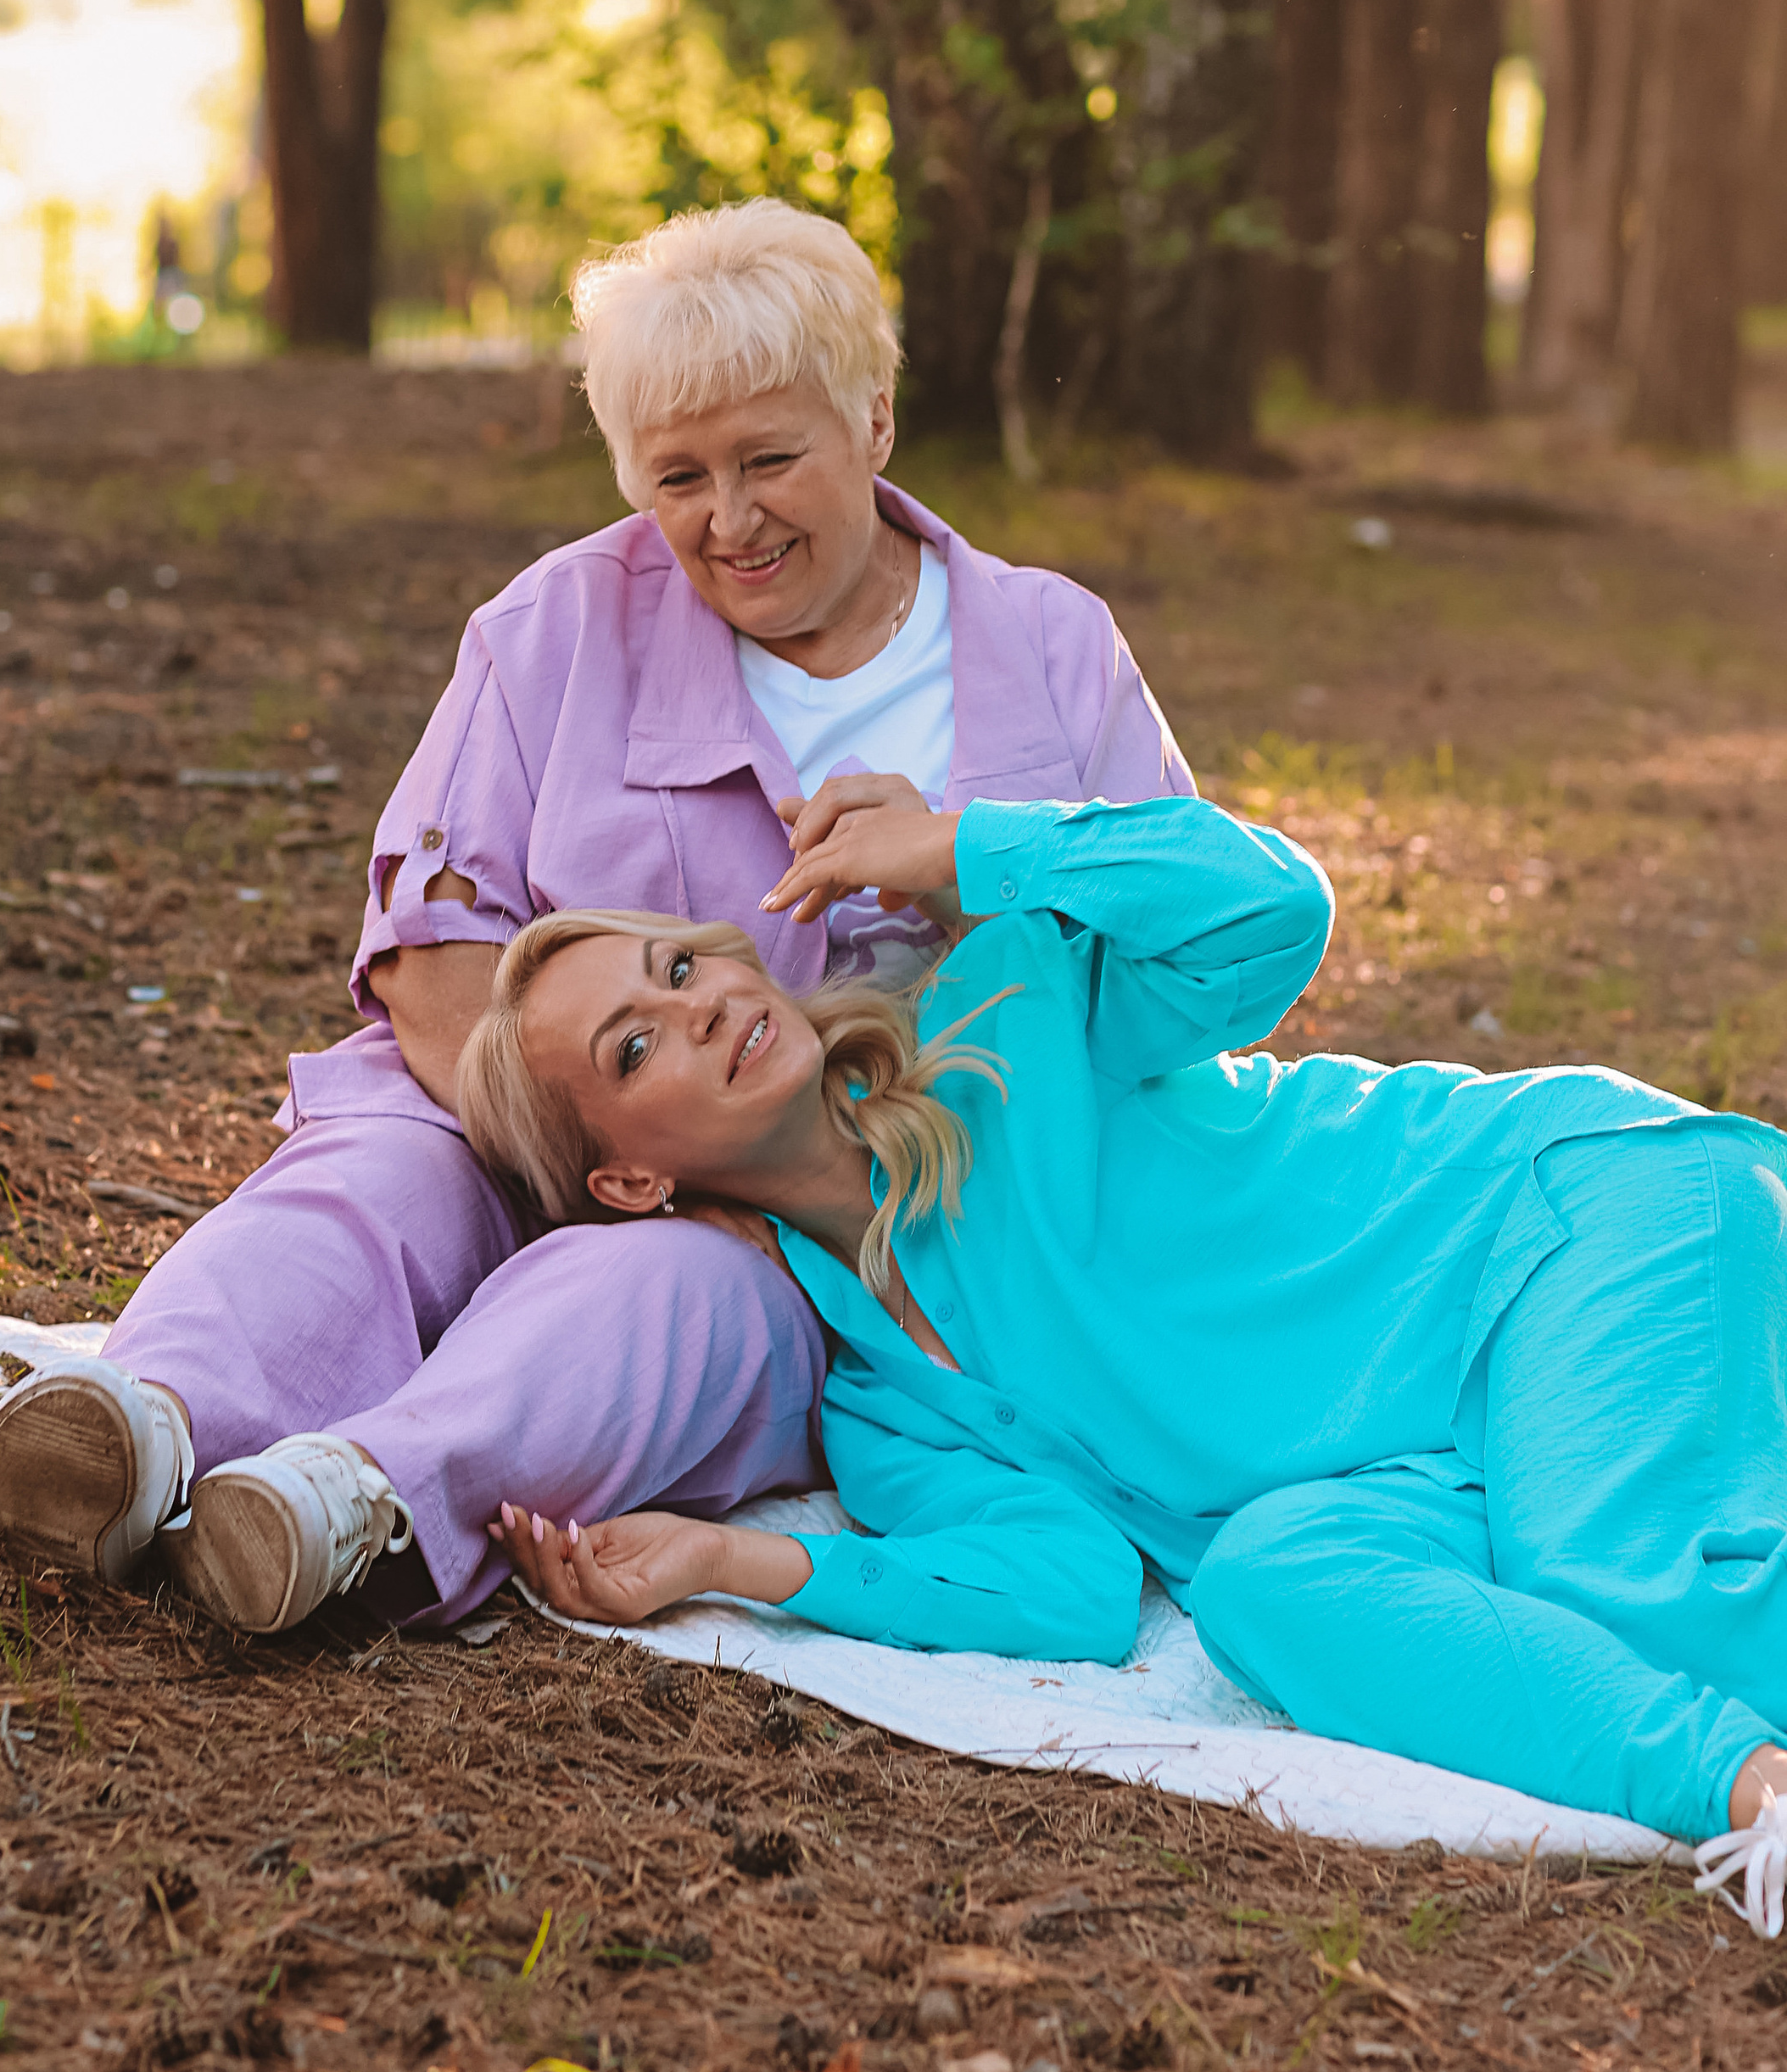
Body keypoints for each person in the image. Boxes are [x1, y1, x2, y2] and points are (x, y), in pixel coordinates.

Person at [0, 201, 1191, 1637]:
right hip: (499, 1101)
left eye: (770, 460)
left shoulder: (1049, 649)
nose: (728, 521)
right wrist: (586, 1158)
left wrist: (731, 1182)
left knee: (666, 1301)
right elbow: (432, 964)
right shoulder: (555, 627)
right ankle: (138, 1428)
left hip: (825, 1213)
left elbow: (1163, 960)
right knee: (375, 1185)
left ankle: (343, 1502)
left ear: (872, 420)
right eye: (679, 476)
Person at [458, 782, 1787, 1929]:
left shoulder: (1001, 1017)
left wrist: (967, 851)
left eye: (682, 967)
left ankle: (1753, 1787)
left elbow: (1270, 910)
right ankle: (1744, 1781)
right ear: (629, 1180)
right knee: (1267, 1591)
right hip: (1435, 1453)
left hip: (1559, 1225)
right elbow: (1076, 1590)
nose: (695, 1009)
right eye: (635, 1045)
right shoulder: (880, 1407)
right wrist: (730, 1561)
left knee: (1611, 1582)